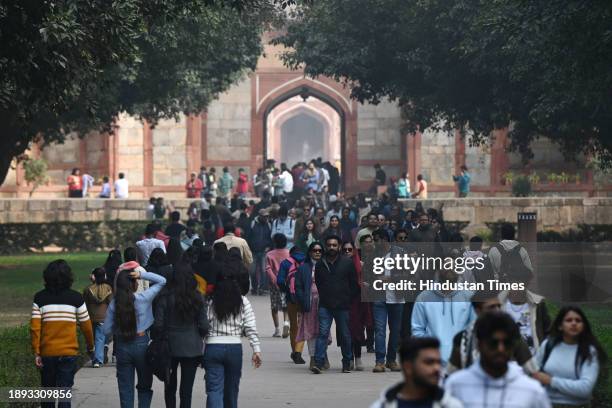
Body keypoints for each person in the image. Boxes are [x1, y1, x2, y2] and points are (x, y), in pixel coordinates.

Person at [445, 312, 551, 408]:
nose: (500, 349)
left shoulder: (532, 391)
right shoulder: (456, 385)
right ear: (480, 344)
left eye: (507, 343)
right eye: (493, 343)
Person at [30, 260, 94, 407]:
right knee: (65, 392)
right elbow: (87, 327)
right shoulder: (76, 298)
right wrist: (90, 347)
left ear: (47, 277)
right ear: (68, 277)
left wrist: (36, 352)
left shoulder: (39, 298)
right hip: (68, 353)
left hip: (47, 353)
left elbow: (35, 328)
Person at [103, 265, 166, 408]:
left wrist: (118, 329)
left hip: (122, 346)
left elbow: (106, 330)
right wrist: (140, 274)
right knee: (144, 385)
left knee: (125, 387)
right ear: (134, 283)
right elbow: (162, 281)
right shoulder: (144, 297)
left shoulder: (115, 304)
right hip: (142, 344)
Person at [153, 262, 208, 408]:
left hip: (169, 346)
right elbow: (204, 325)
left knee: (170, 386)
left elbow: (158, 324)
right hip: (191, 346)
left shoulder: (165, 296)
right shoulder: (198, 297)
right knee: (186, 389)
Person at [204, 274, 261, 408]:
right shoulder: (243, 301)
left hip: (213, 347)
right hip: (234, 348)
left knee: (214, 390)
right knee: (231, 390)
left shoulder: (210, 302)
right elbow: (250, 326)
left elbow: (203, 324)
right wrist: (256, 349)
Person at [448, 291, 538, 375]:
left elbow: (532, 371)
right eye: (491, 307)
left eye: (499, 306)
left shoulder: (513, 337)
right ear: (477, 311)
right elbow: (450, 373)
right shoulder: (463, 339)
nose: (497, 310)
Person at [533, 306, 607, 407]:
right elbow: (533, 373)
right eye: (568, 320)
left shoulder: (589, 351)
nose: (574, 323)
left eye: (578, 320)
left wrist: (551, 381)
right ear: (560, 326)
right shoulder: (548, 346)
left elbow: (585, 388)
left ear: (583, 326)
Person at [411, 260, 475, 365]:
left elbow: (475, 328)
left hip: (461, 362)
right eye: (446, 266)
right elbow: (417, 330)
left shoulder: (469, 297)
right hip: (433, 361)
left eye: (452, 266)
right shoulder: (424, 297)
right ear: (438, 270)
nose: (449, 269)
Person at [311, 235, 359, 373]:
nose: (331, 247)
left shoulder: (347, 263)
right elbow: (319, 283)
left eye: (334, 245)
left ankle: (347, 362)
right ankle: (318, 363)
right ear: (326, 247)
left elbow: (354, 285)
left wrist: (347, 299)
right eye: (329, 245)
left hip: (343, 306)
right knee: (323, 334)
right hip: (325, 305)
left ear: (339, 247)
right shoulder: (320, 263)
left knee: (345, 335)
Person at [370, 337, 464, 408]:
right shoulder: (381, 406)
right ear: (408, 367)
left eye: (438, 362)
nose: (437, 368)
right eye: (429, 362)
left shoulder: (453, 405)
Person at [371, 229, 405, 373]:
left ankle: (391, 360)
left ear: (385, 240)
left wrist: (390, 279)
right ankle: (380, 361)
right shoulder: (372, 254)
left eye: (377, 240)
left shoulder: (400, 253)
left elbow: (409, 273)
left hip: (397, 296)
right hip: (379, 296)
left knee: (395, 331)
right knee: (379, 330)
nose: (375, 243)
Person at [83, 267, 113, 368]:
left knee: (92, 338)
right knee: (100, 338)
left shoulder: (88, 289)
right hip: (103, 317)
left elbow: (85, 303)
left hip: (91, 317)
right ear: (104, 276)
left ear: (94, 276)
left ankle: (94, 355)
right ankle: (98, 360)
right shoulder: (108, 288)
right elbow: (110, 303)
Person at [266, 233, 291, 338]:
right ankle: (286, 323)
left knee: (274, 306)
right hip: (286, 283)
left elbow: (268, 269)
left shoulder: (270, 254)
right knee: (286, 305)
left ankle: (277, 330)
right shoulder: (289, 253)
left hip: (274, 284)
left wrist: (274, 280)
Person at [248, 209, 272, 295]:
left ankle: (262, 288)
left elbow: (270, 237)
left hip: (264, 251)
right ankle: (254, 288)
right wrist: (249, 248)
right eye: (265, 216)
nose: (266, 218)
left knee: (263, 270)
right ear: (260, 216)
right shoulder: (253, 223)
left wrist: (269, 246)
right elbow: (248, 236)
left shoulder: (268, 225)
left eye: (267, 216)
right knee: (252, 271)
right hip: (253, 251)